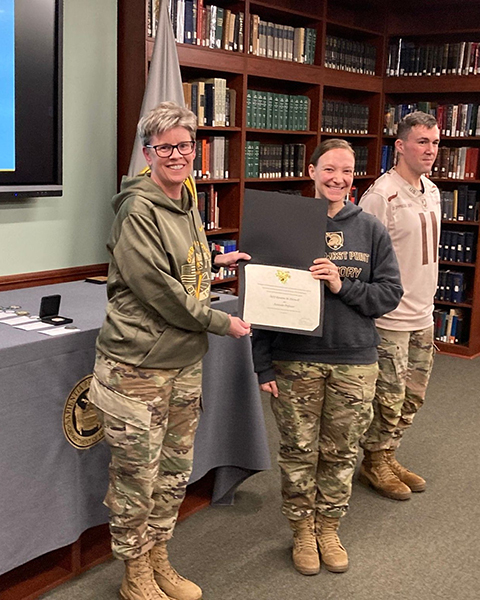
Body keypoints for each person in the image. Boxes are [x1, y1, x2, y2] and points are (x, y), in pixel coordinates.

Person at [88, 101, 251, 600]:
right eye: (165, 148)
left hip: (183, 363)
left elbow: (185, 266)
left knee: (174, 472)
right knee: (137, 478)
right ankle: (134, 572)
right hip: (137, 368)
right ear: (148, 153)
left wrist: (221, 258)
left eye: (184, 145)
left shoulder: (186, 199)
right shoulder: (138, 211)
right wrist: (223, 321)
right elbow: (160, 292)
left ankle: (159, 556)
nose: (177, 155)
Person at [251, 139, 403, 575]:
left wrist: (343, 285)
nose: (338, 179)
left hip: (354, 360)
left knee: (340, 452)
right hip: (294, 360)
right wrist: (262, 364)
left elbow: (389, 294)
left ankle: (328, 526)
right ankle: (301, 529)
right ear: (313, 170)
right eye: (329, 169)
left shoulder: (370, 228)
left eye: (347, 171)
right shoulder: (285, 222)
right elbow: (262, 298)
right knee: (298, 451)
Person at [358, 111, 441, 501]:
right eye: (422, 142)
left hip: (424, 313)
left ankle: (388, 454)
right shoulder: (380, 196)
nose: (430, 150)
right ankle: (373, 462)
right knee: (387, 399)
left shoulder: (433, 190)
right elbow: (361, 259)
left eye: (436, 142)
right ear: (401, 146)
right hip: (389, 317)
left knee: (413, 395)